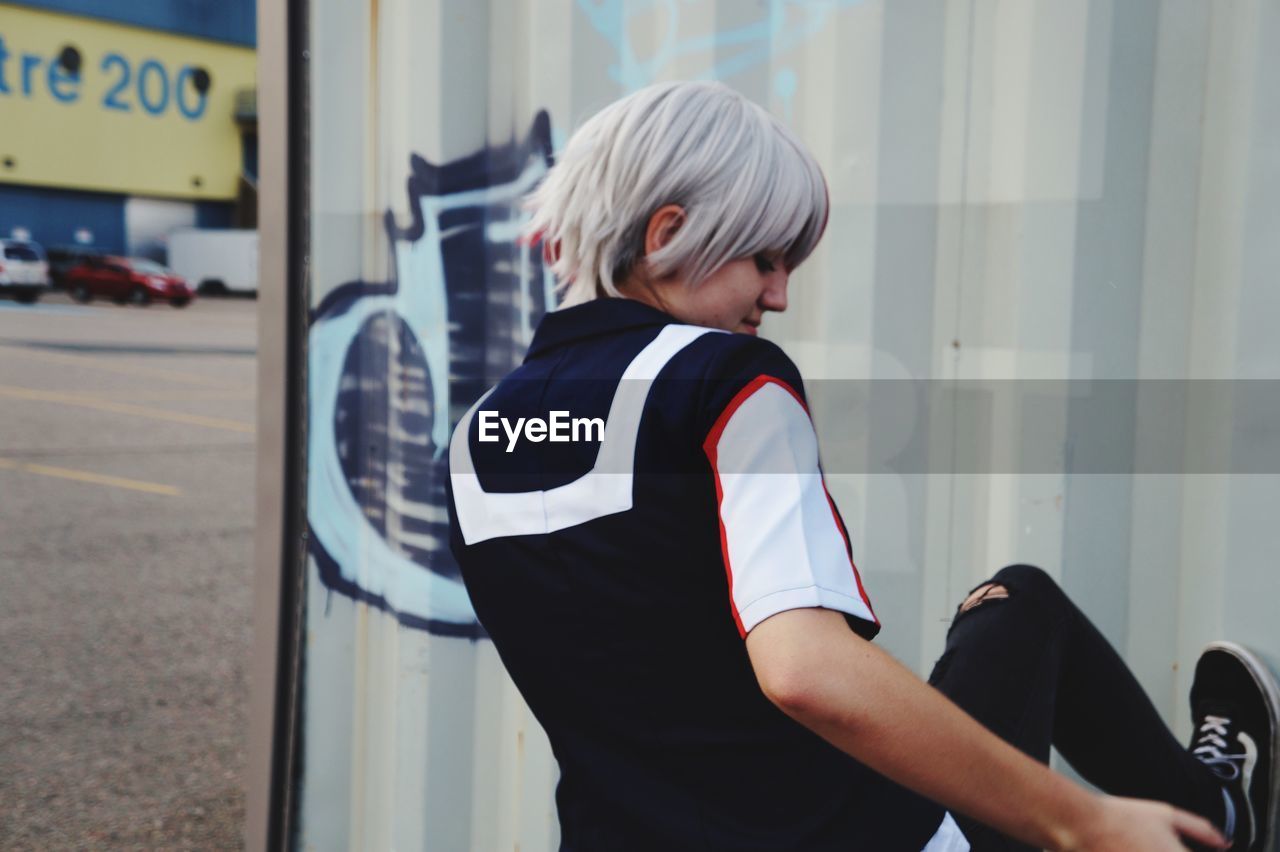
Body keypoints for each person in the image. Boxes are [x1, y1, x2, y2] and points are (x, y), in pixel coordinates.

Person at [446, 81, 1279, 851]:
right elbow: (805, 671)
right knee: (1021, 607)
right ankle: (1221, 817)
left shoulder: (475, 440)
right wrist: (1084, 821)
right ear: (667, 236)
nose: (778, 297)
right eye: (765, 259)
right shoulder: (723, 381)